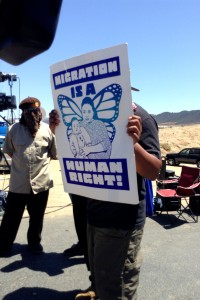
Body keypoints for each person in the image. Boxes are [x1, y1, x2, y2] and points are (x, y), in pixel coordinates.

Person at [50, 100, 161, 300]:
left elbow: (153, 171)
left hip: (122, 223)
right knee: (101, 276)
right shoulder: (85, 121)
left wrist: (131, 144)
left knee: (119, 288)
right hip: (93, 215)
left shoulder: (141, 119)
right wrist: (59, 131)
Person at [0, 97, 57, 257]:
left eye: (35, 112)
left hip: (41, 184)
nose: (32, 115)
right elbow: (10, 151)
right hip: (18, 184)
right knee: (11, 217)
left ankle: (34, 243)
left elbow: (53, 153)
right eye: (28, 112)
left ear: (40, 113)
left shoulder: (47, 130)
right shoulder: (13, 129)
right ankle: (4, 245)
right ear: (23, 113)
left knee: (37, 218)